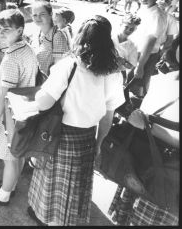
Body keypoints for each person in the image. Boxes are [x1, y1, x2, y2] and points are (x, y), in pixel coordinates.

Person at [26, 15, 124, 225]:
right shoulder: (113, 72)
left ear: (80, 36)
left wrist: (39, 94)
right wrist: (99, 143)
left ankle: (48, 219)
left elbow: (43, 103)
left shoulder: (69, 65)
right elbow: (108, 115)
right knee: (74, 188)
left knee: (53, 184)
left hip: (59, 135)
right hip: (87, 137)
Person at [108, 37, 179, 226]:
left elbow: (146, 123)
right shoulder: (161, 80)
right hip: (142, 165)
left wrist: (149, 127)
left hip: (170, 177)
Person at [0, 9, 38, 205]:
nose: (1, 32)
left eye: (6, 29)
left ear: (20, 30)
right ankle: (10, 185)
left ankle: (3, 195)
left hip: (11, 115)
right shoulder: (27, 49)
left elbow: (5, 95)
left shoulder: (11, 58)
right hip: (25, 111)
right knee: (17, 155)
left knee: (10, 157)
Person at [129, 0, 167, 96]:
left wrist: (140, 66)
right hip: (135, 51)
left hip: (146, 55)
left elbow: (150, 42)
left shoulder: (156, 15)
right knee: (128, 83)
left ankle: (135, 110)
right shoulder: (144, 8)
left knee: (138, 87)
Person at [30, 0, 71, 76]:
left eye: (42, 14)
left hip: (46, 84)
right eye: (35, 15)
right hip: (33, 81)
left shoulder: (57, 35)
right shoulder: (37, 33)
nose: (38, 18)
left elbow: (59, 68)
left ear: (50, 14)